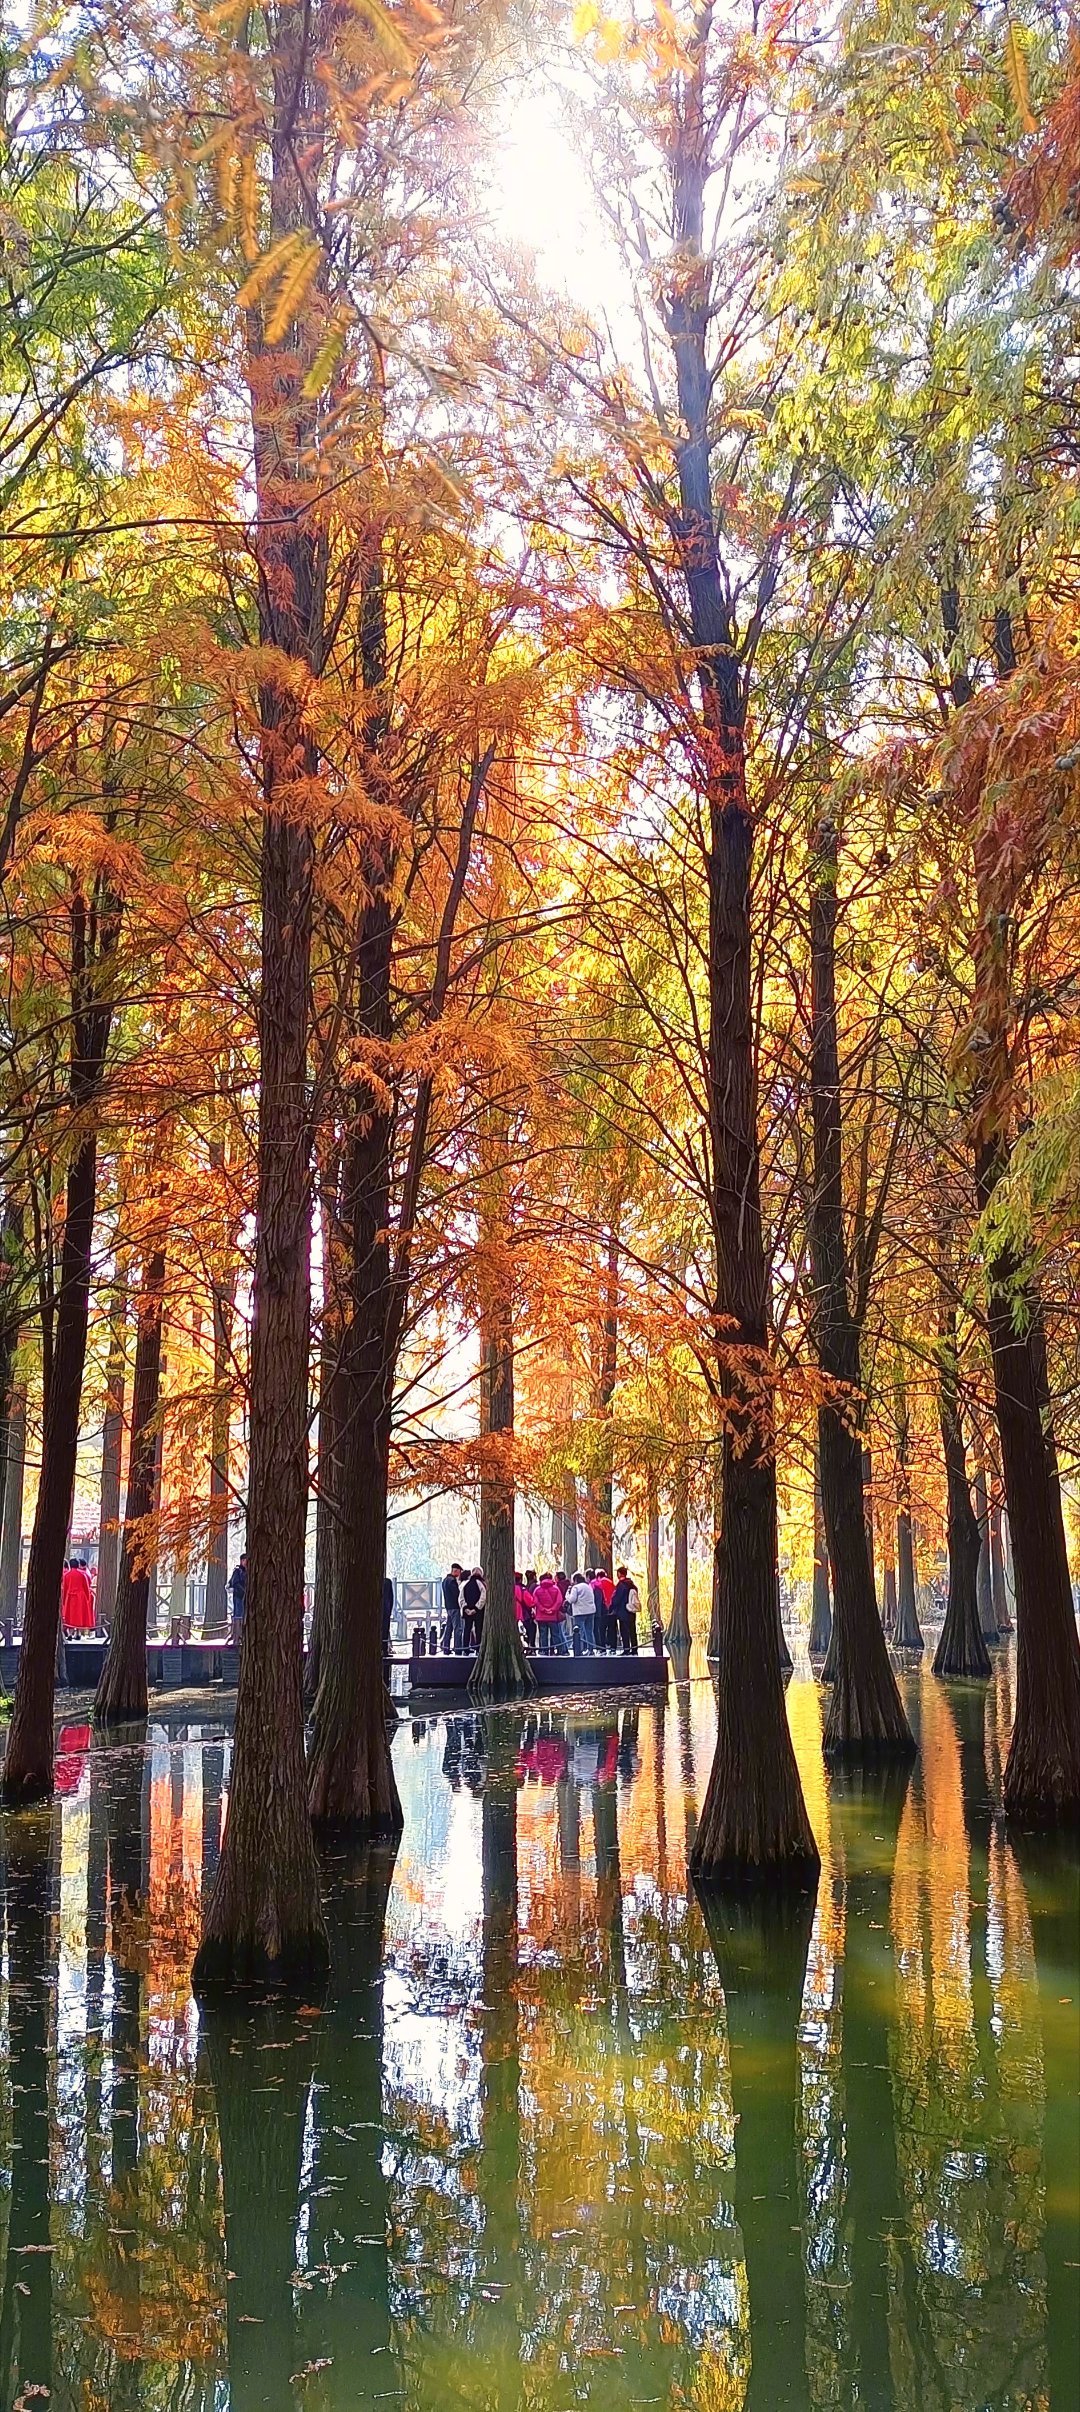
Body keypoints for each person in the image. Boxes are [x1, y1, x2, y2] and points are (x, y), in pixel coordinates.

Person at [533, 1570, 568, 1655]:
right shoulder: (556, 1589)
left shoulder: (537, 1589)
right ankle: (559, 1650)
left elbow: (535, 1601)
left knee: (543, 1634)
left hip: (541, 1616)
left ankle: (544, 1651)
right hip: (553, 1616)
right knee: (555, 1634)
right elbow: (559, 1601)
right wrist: (552, 1609)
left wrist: (543, 1609)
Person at [609, 1565, 640, 1655]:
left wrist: (612, 1606)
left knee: (624, 1631)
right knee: (632, 1630)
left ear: (619, 1574)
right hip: (631, 1610)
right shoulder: (632, 1584)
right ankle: (634, 1649)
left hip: (623, 1611)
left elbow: (616, 1598)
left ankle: (626, 1649)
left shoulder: (621, 1585)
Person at [567, 1570, 596, 1655]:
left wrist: (567, 1596)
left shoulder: (576, 1588)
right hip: (590, 1611)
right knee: (589, 1631)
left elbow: (572, 1599)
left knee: (579, 1632)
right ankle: (590, 1649)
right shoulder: (588, 1586)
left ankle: (579, 1649)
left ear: (576, 1580)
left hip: (580, 1612)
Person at [61, 1558, 94, 1633]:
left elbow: (65, 1588)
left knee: (70, 1616)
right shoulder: (83, 1575)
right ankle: (78, 1633)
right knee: (79, 1615)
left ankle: (70, 1633)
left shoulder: (66, 1575)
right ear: (78, 1565)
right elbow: (86, 1587)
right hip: (80, 1597)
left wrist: (64, 1600)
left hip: (69, 1597)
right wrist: (87, 1598)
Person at [462, 1565, 486, 1652]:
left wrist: (465, 1608)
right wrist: (476, 1608)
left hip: (467, 1610)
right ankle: (478, 1648)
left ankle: (465, 1648)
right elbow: (483, 1597)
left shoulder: (465, 1584)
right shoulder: (481, 1584)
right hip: (478, 1612)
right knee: (478, 1629)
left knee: (467, 1629)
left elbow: (461, 1598)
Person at [442, 1562, 464, 1654]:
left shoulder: (445, 1580)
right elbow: (457, 1594)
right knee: (457, 1628)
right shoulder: (452, 1581)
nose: (460, 1575)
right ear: (456, 1571)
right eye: (459, 1572)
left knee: (448, 1628)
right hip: (455, 1607)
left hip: (448, 1607)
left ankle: (445, 1647)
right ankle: (458, 1648)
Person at [515, 1570, 537, 1652]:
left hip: (511, 1614)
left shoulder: (506, 1589)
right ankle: (531, 1647)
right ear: (520, 1579)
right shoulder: (522, 1589)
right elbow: (530, 1602)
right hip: (522, 1613)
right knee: (531, 1629)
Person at [228, 1552, 247, 1643]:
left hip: (246, 1598)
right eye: (244, 1560)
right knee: (238, 1615)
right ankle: (237, 1636)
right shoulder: (237, 1571)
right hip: (239, 1597)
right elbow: (235, 1583)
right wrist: (243, 1591)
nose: (245, 1562)